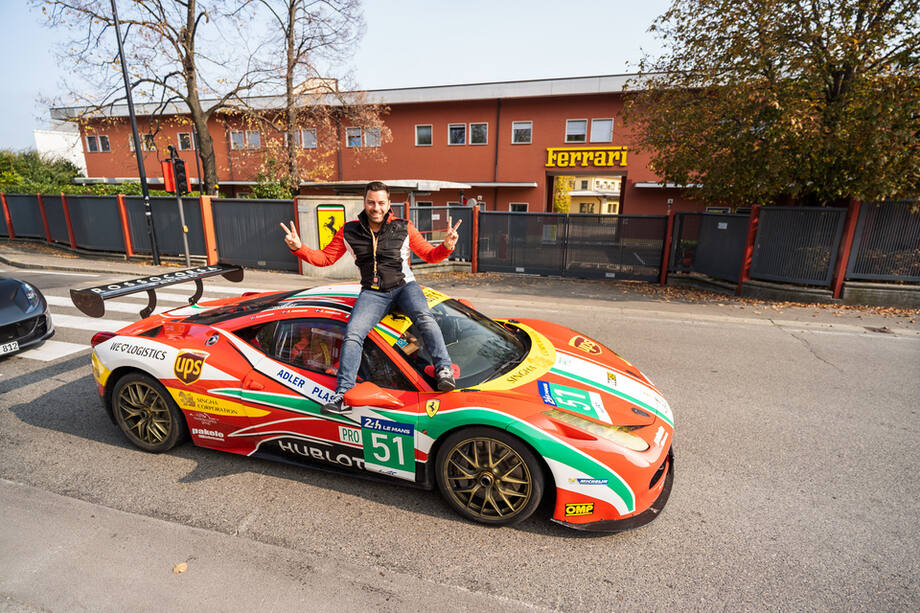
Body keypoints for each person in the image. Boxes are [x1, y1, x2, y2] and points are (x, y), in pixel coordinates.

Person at [280, 181, 462, 415]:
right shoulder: (349, 230)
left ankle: (444, 370)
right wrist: (298, 247)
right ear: (364, 203)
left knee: (424, 318)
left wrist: (446, 246)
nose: (376, 207)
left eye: (381, 203)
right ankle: (343, 394)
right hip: (373, 293)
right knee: (353, 333)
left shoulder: (404, 227)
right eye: (371, 202)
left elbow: (429, 254)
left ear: (389, 204)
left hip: (404, 286)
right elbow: (325, 259)